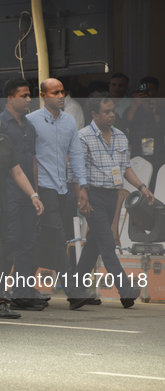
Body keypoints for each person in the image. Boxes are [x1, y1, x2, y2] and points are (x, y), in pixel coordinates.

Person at [69, 93, 150, 309]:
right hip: (92, 195)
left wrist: (142, 187)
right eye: (106, 111)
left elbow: (126, 168)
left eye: (113, 110)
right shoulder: (83, 136)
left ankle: (75, 290)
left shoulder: (120, 136)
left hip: (113, 197)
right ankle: (125, 290)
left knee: (94, 245)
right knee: (107, 243)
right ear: (95, 114)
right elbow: (74, 172)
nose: (112, 114)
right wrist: (81, 196)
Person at [26, 78, 96, 309]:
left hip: (63, 188)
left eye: (62, 92)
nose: (60, 96)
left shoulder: (68, 122)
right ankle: (73, 291)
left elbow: (76, 155)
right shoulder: (31, 121)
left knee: (50, 237)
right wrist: (32, 192)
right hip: (42, 188)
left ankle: (19, 284)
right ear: (43, 95)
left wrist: (82, 188)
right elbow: (28, 159)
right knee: (55, 233)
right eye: (54, 92)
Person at [0, 103, 44, 318]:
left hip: (3, 202)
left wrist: (33, 195)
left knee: (7, 246)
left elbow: (18, 172)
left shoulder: (4, 141)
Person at [0, 79, 47, 310]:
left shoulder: (28, 126)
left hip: (27, 195)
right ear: (10, 98)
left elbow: (32, 162)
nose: (29, 99)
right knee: (11, 240)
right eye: (24, 95)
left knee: (28, 242)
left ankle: (21, 291)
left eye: (30, 95)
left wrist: (35, 193)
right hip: (7, 192)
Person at [125, 77, 162, 191]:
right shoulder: (132, 108)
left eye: (151, 89)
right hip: (138, 152)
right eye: (145, 88)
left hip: (157, 154)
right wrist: (135, 106)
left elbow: (162, 127)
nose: (147, 92)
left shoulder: (160, 108)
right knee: (138, 184)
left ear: (156, 91)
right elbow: (126, 123)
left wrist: (155, 111)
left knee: (156, 184)